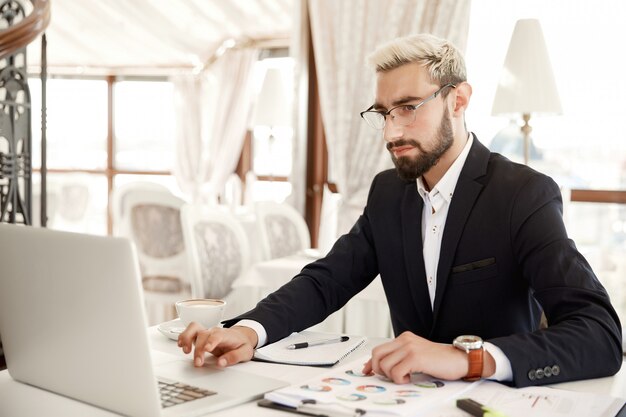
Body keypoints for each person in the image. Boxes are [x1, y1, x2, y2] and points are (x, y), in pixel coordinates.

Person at [178, 33, 622, 387]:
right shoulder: (388, 192)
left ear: (458, 100)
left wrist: (467, 359)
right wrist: (248, 331)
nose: (392, 131)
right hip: (399, 398)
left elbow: (599, 334)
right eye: (384, 113)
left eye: (408, 108)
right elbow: (326, 281)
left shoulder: (523, 193)